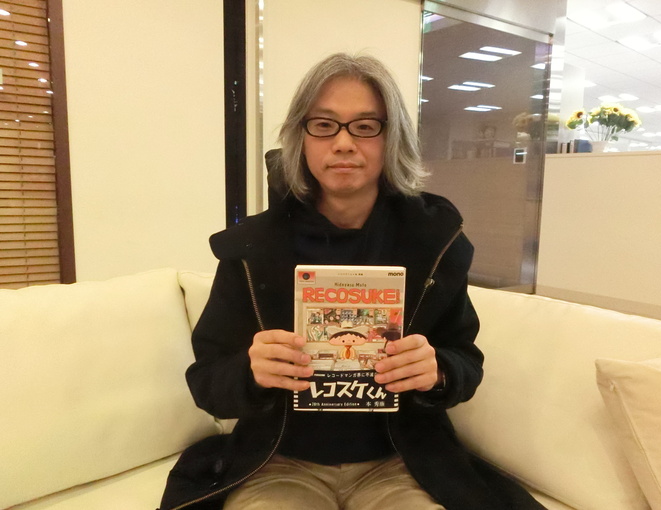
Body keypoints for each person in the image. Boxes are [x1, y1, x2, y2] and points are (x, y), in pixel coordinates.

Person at [159, 53, 544, 510]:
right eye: (324, 125)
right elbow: (206, 382)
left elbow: (466, 360)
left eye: (365, 126)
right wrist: (250, 370)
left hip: (402, 461)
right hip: (278, 462)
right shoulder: (251, 249)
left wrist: (438, 369)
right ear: (301, 138)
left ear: (391, 138)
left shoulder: (435, 242)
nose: (343, 143)